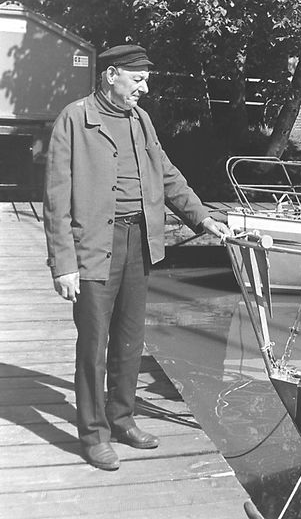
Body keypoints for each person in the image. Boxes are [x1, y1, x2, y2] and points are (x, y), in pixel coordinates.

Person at [43, 44, 231, 471]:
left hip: (139, 242)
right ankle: (93, 435)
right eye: (138, 79)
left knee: (130, 339)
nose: (144, 88)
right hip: (94, 246)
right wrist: (64, 264)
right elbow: (55, 199)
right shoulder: (74, 119)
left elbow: (167, 174)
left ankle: (122, 418)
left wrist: (203, 218)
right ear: (111, 75)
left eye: (146, 80)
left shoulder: (141, 120)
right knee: (94, 344)